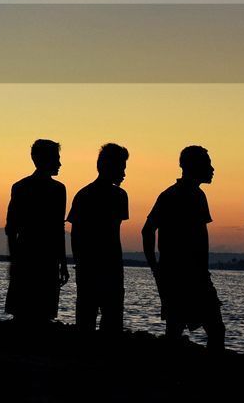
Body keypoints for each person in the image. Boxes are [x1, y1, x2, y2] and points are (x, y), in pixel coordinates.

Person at [142, 145, 226, 350]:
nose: (212, 169)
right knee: (212, 329)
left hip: (185, 274)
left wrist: (157, 268)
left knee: (177, 328)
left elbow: (147, 230)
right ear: (193, 166)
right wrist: (156, 268)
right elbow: (147, 230)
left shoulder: (189, 195)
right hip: (185, 275)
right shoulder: (179, 195)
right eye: (207, 164)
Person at [4, 139, 69, 323]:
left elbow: (11, 228)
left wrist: (14, 259)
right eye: (56, 158)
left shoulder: (21, 187)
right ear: (43, 160)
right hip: (41, 257)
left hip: (32, 256)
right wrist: (62, 262)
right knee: (41, 312)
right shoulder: (57, 190)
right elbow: (58, 229)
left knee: (25, 312)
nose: (59, 163)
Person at [68, 143, 130, 333]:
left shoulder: (84, 194)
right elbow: (78, 233)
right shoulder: (119, 196)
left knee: (88, 317)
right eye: (122, 166)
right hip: (104, 266)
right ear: (110, 166)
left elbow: (76, 234)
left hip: (95, 265)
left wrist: (80, 261)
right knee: (109, 318)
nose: (124, 172)